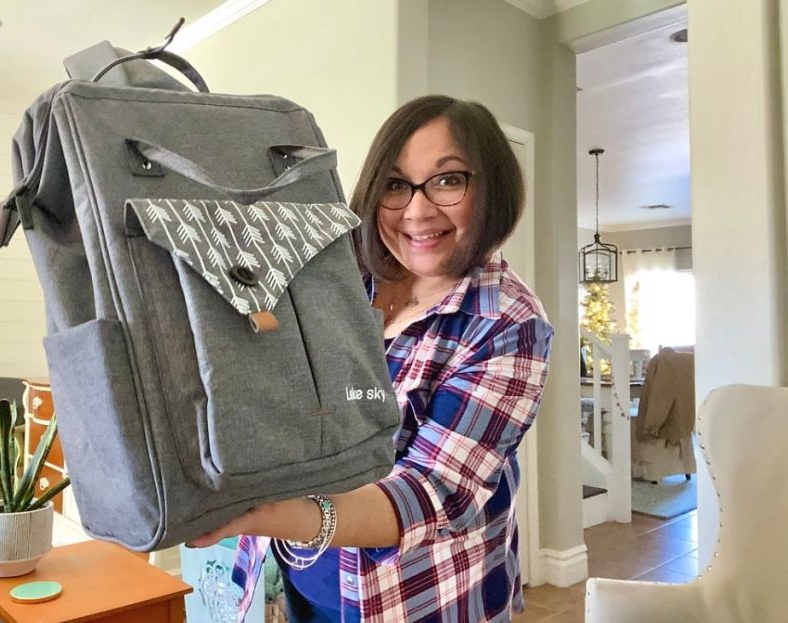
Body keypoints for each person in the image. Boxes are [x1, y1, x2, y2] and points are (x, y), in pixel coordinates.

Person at [189, 95, 554, 622]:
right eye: (395, 184)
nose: (417, 211)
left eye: (448, 180)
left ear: (491, 186)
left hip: (418, 599)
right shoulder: (346, 276)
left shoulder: (507, 322)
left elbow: (430, 495)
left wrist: (267, 514)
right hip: (303, 580)